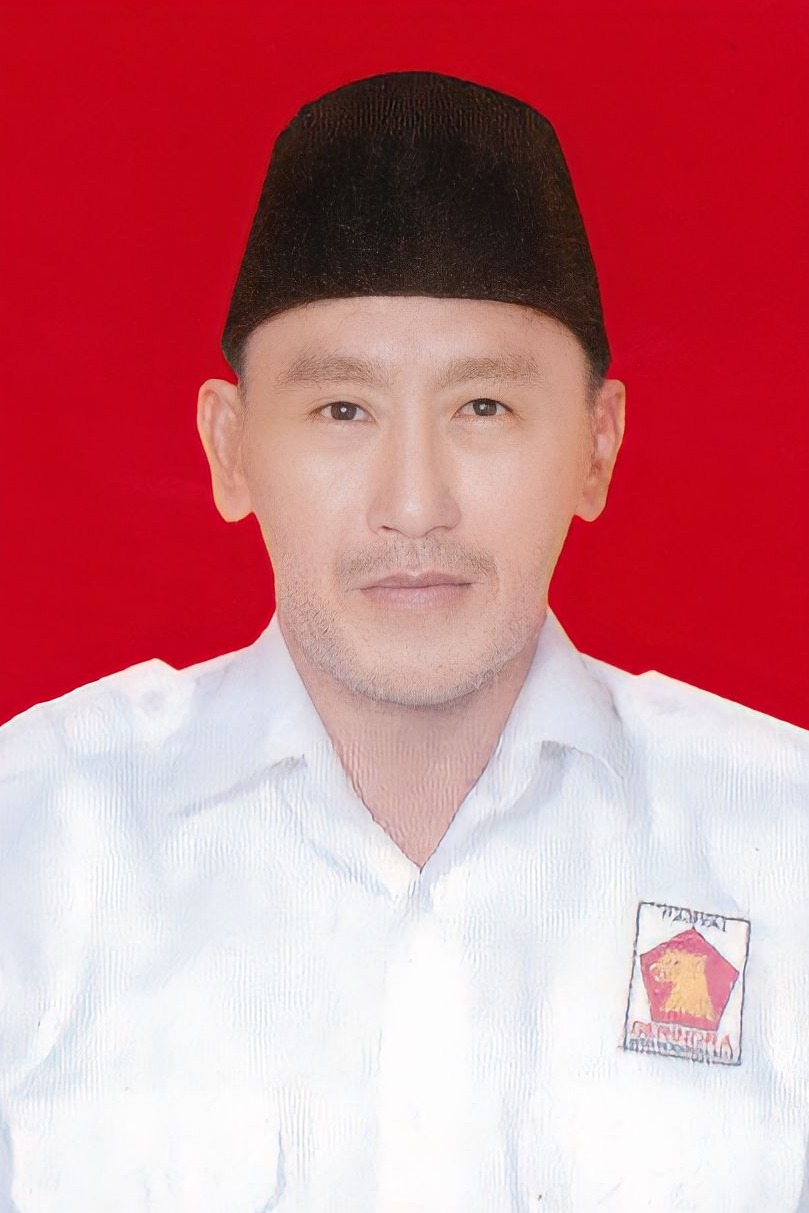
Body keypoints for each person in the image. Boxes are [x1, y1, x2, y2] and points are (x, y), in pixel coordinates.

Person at [0, 70, 807, 1213]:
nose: (415, 503)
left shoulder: (782, 842)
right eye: (342, 411)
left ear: (596, 446)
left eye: (483, 407)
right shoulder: (31, 844)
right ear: (229, 449)